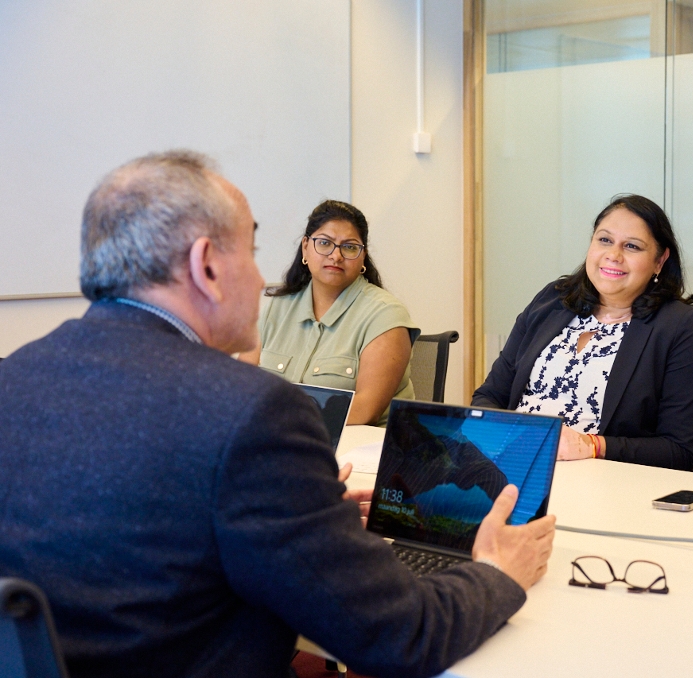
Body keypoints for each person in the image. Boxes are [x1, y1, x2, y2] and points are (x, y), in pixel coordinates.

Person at [0, 151, 555, 678]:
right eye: (250, 249)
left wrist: (299, 507)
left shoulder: (14, 378)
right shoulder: (249, 413)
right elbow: (397, 635)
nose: (261, 275)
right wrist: (497, 573)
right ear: (207, 266)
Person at [472, 194, 693, 471]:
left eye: (632, 246)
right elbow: (490, 395)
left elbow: (680, 450)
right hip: (513, 463)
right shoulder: (553, 300)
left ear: (659, 261)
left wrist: (592, 446)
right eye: (604, 240)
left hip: (603, 481)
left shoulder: (680, 326)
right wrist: (496, 436)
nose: (613, 255)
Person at [239, 200, 417, 426]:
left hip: (361, 451)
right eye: (325, 243)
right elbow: (242, 387)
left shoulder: (386, 315)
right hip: (280, 443)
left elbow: (365, 411)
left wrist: (286, 427)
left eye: (350, 247)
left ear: (363, 256)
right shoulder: (276, 307)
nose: (336, 256)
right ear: (305, 247)